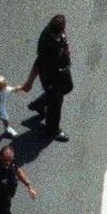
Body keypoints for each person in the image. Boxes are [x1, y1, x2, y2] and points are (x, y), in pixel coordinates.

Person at [21, 14, 73, 142]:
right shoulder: (47, 45)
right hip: (51, 77)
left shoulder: (56, 32)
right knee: (56, 103)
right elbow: (38, 64)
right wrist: (29, 82)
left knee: (68, 86)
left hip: (62, 70)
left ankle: (39, 103)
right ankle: (52, 129)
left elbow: (64, 38)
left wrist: (66, 48)